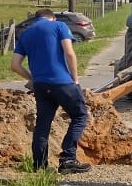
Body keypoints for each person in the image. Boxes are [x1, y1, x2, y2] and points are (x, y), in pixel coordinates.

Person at [9, 9, 91, 174]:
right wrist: (75, 79)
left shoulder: (25, 33)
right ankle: (68, 159)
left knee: (42, 125)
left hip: (40, 85)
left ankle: (39, 166)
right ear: (52, 18)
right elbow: (69, 53)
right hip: (62, 82)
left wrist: (33, 78)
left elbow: (14, 65)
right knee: (80, 115)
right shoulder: (59, 26)